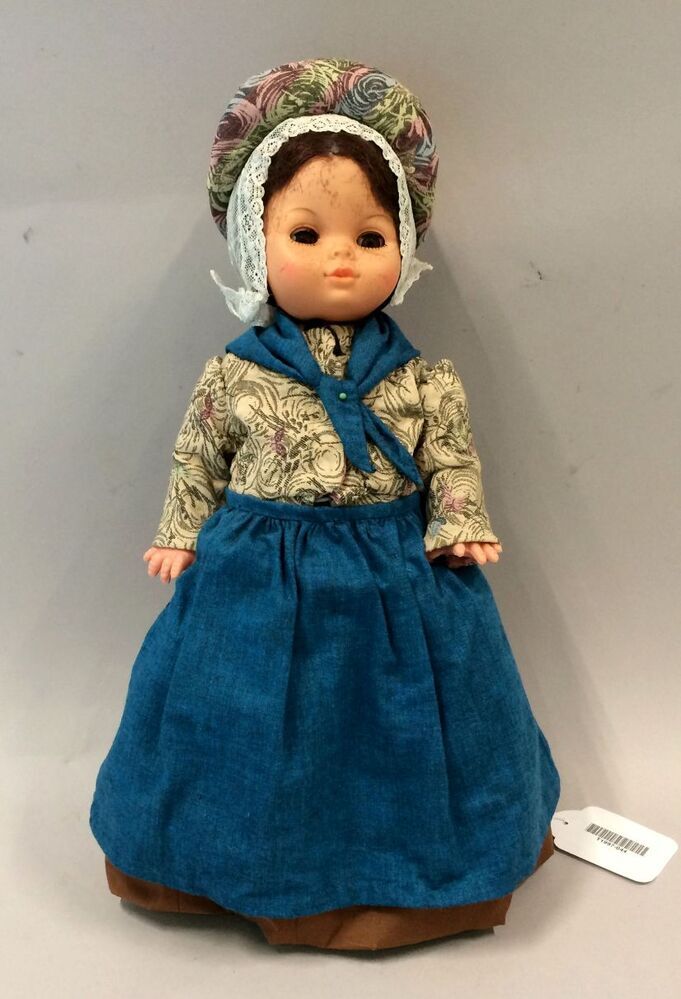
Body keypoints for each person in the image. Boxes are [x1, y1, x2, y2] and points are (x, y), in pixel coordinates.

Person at [90, 58, 561, 952]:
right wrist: (178, 533)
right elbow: (198, 454)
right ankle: (232, 870)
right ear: (253, 240)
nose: (339, 257)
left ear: (403, 247)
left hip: (398, 575)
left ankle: (416, 879)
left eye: (370, 236)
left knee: (410, 721)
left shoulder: (421, 378)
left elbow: (450, 455)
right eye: (305, 233)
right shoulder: (235, 374)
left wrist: (460, 520)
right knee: (244, 714)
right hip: (256, 579)